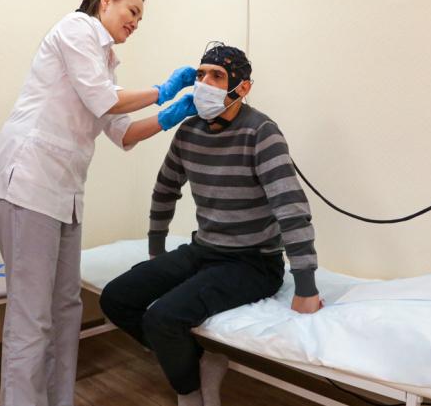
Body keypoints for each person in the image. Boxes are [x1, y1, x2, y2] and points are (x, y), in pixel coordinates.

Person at [0, 0, 198, 406]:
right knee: (31, 315)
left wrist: (172, 114)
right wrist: (162, 91)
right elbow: (105, 100)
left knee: (66, 308)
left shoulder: (106, 63)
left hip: (65, 193)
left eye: (141, 18)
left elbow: (124, 132)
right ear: (105, 1)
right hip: (29, 182)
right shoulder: (75, 29)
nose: (136, 22)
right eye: (132, 11)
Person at [99, 42, 322, 406]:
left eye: (217, 76)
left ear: (243, 87)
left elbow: (291, 208)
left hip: (253, 261)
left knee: (162, 318)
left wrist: (306, 287)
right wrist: (156, 252)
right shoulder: (189, 132)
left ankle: (188, 393)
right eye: (200, 75)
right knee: (116, 298)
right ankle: (200, 362)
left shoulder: (261, 132)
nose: (204, 83)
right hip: (203, 249)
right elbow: (165, 189)